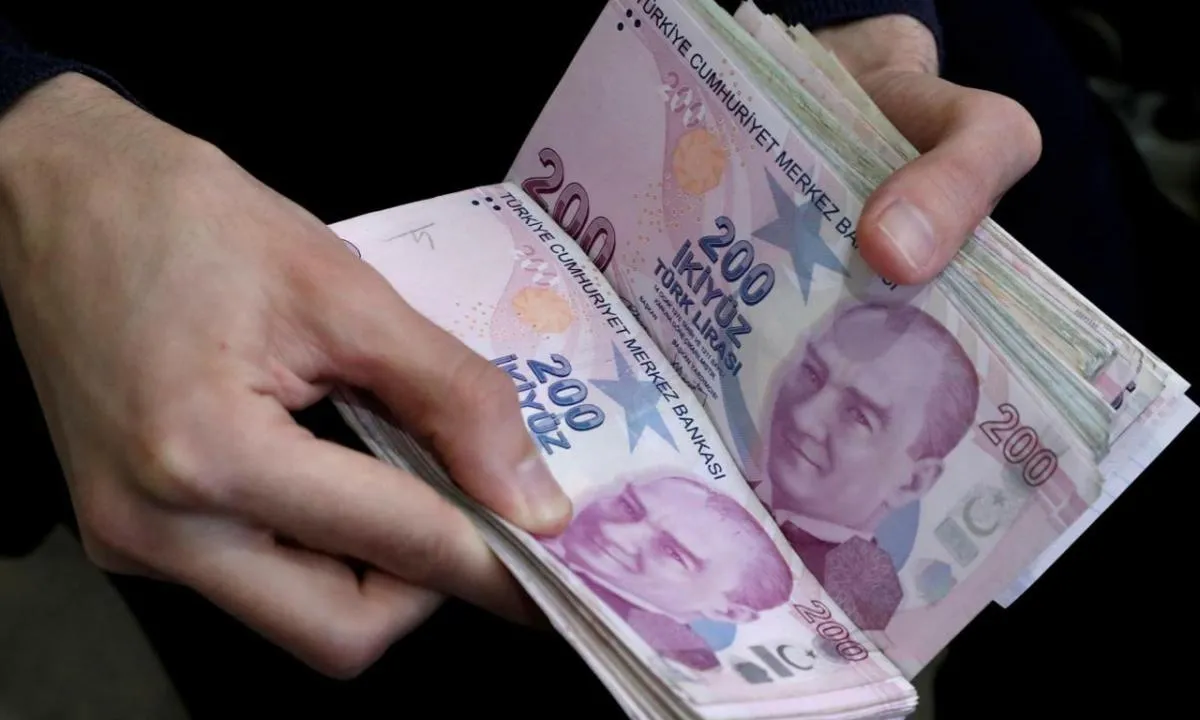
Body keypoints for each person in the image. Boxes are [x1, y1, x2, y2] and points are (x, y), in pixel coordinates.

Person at [1, 0, 1189, 716]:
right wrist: (31, 145)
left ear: (922, 474)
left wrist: (851, 20)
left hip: (902, 106)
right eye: (822, 381)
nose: (811, 413)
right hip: (206, 285)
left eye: (864, 417)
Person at [758, 301, 979, 630]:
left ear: (913, 482)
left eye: (859, 416)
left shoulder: (865, 605)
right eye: (812, 374)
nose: (804, 417)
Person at [541, 473, 792, 672]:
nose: (611, 531)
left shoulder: (680, 662)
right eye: (629, 508)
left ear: (728, 612)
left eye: (673, 553)